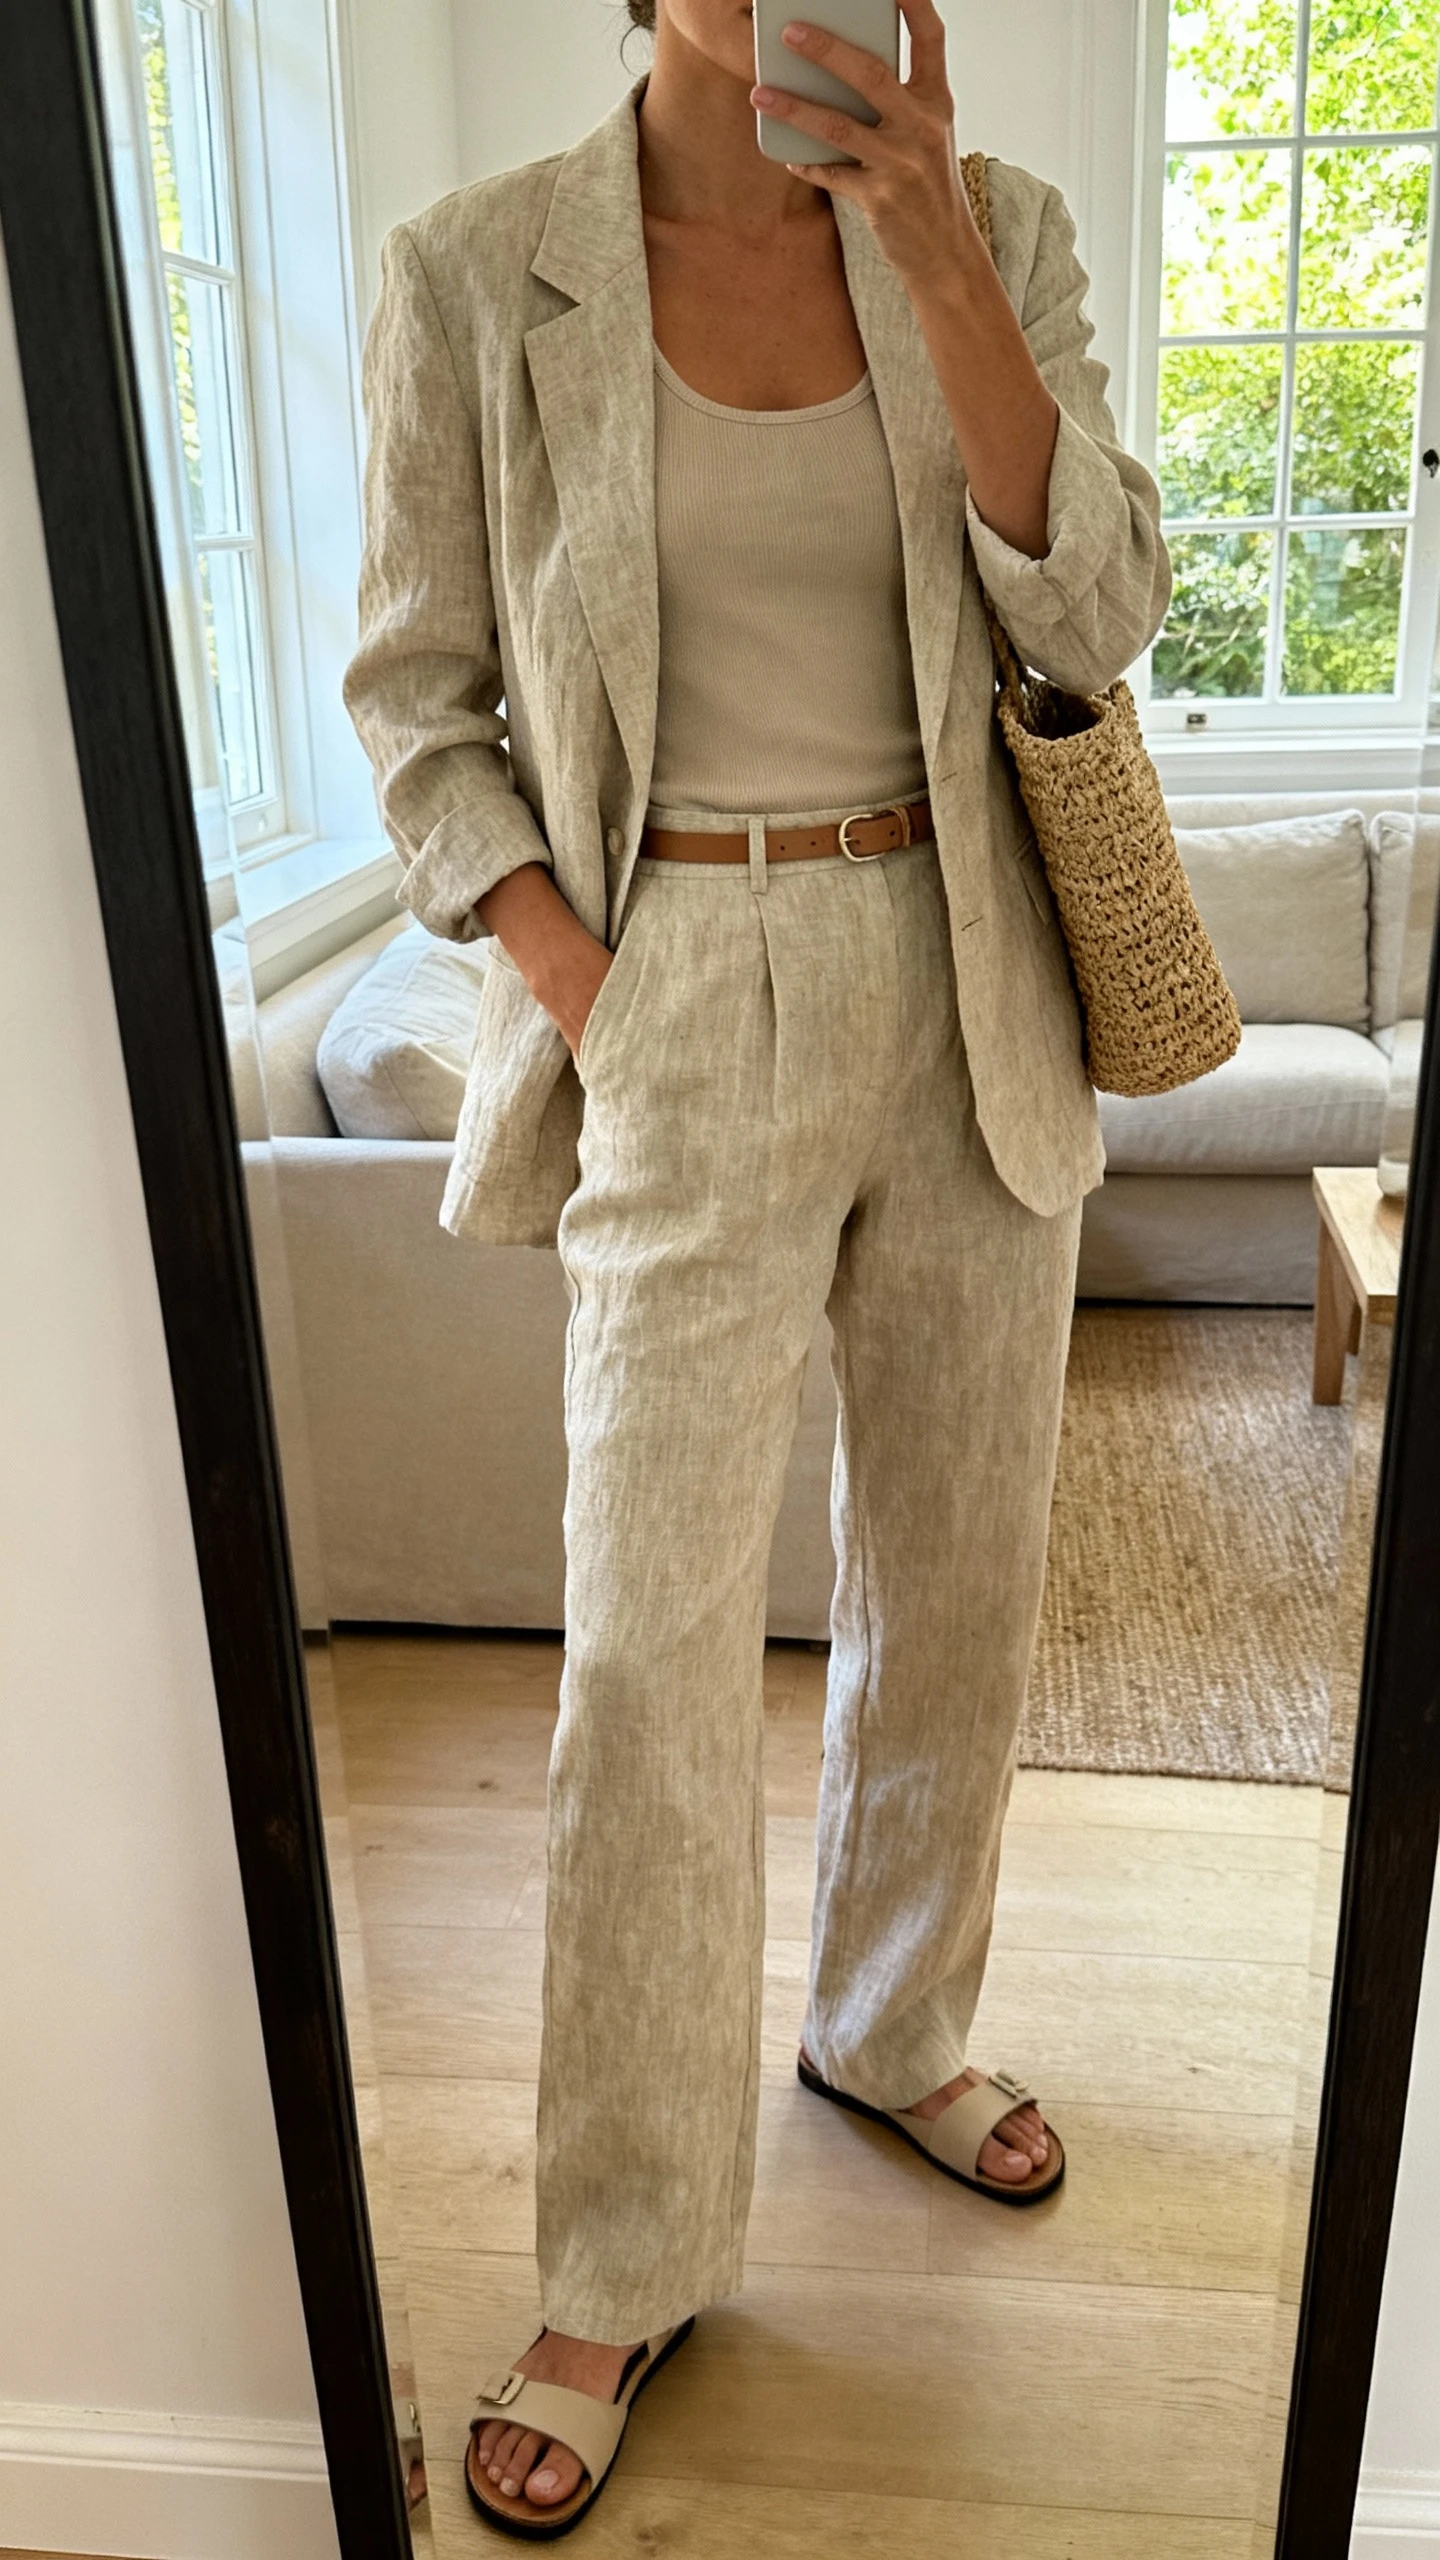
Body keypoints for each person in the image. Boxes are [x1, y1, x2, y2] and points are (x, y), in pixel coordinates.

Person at [344, 0, 1169, 2535]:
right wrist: (596, 986)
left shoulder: (995, 228)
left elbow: (1104, 611)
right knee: (645, 1638)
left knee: (960, 1571)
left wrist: (939, 255)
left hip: (970, 968)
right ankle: (621, 2239)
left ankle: (891, 2021)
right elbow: (417, 702)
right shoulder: (478, 271)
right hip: (676, 975)